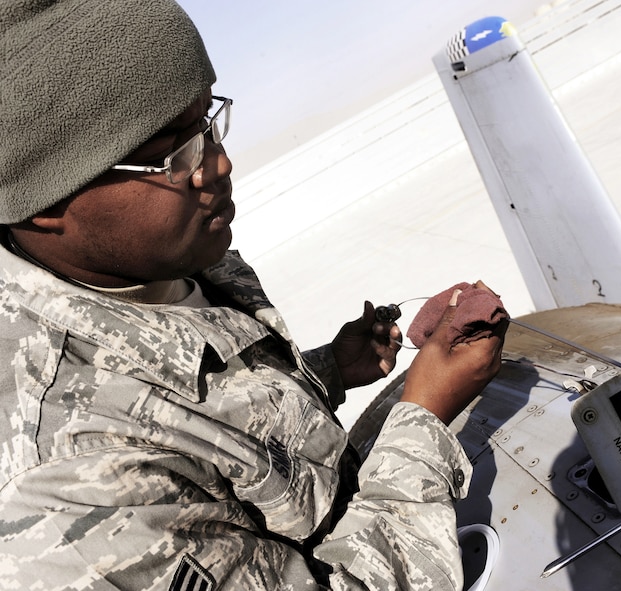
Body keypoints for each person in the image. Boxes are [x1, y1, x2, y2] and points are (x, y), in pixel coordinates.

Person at [0, 1, 507, 589]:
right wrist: (423, 417)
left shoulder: (173, 258)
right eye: (172, 154)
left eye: (208, 122)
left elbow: (211, 429)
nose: (217, 164)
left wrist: (328, 372)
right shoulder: (69, 492)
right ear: (43, 206)